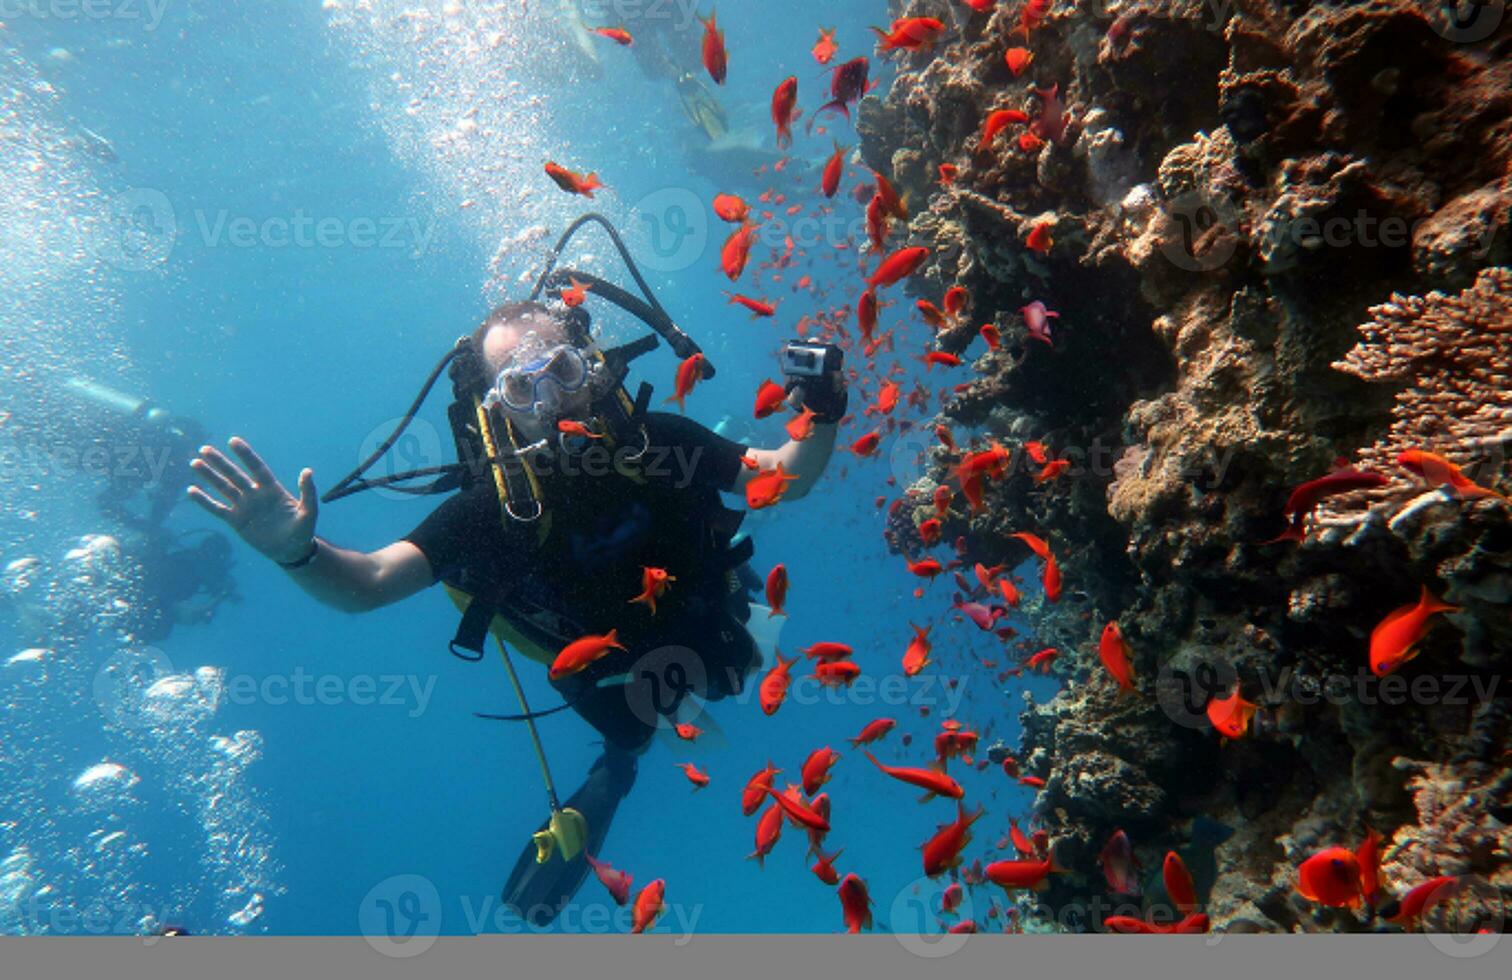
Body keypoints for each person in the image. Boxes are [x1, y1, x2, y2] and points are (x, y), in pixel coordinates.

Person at [186, 300, 846, 925]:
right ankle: (613, 773)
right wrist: (297, 554)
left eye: (561, 369)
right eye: (524, 388)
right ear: (496, 407)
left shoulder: (660, 441)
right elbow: (372, 583)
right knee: (633, 735)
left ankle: (649, 726)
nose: (553, 399)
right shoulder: (490, 510)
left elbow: (786, 474)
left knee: (743, 654)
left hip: (709, 609)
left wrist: (823, 408)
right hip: (612, 673)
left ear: (590, 361)